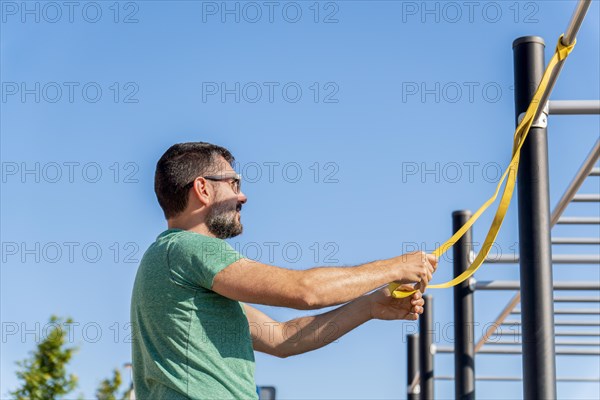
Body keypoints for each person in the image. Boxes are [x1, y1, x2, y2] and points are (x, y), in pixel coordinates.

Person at [130, 142, 438, 400]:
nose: (243, 196)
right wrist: (397, 266)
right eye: (234, 183)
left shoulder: (168, 261)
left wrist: (370, 305)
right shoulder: (190, 247)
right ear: (202, 188)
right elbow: (305, 291)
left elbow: (282, 338)